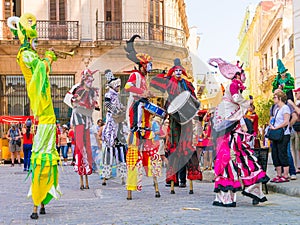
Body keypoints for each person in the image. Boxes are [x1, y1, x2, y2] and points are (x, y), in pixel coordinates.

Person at [8, 13, 61, 219]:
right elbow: (39, 68)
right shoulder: (25, 54)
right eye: (34, 40)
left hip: (46, 111)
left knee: (47, 157)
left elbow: (43, 71)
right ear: (27, 39)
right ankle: (37, 200)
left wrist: (48, 59)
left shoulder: (29, 53)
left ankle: (42, 198)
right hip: (43, 110)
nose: (36, 43)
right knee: (43, 158)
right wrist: (47, 58)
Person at [210, 59, 269, 207]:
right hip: (230, 128)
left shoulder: (231, 90)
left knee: (236, 158)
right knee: (238, 158)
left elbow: (236, 109)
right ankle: (249, 191)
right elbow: (237, 99)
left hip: (230, 130)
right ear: (238, 74)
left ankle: (232, 195)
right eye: (243, 74)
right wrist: (247, 104)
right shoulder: (234, 85)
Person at [124, 35, 162, 200]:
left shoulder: (144, 78)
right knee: (134, 155)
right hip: (136, 115)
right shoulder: (135, 75)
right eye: (147, 66)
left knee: (152, 154)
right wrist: (142, 93)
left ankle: (155, 186)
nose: (148, 69)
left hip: (146, 117)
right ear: (141, 65)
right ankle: (131, 188)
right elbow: (128, 87)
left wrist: (150, 93)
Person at [160, 58, 202, 194]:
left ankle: (183, 179)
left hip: (186, 120)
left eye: (180, 70)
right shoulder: (170, 83)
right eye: (176, 70)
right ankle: (173, 179)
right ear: (173, 72)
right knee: (174, 149)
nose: (178, 72)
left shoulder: (187, 84)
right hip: (174, 120)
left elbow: (193, 99)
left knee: (185, 148)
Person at [69, 68, 99, 190]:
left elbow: (93, 104)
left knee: (86, 147)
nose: (90, 82)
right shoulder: (79, 90)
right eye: (88, 80)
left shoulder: (91, 92)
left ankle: (86, 175)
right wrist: (77, 100)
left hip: (86, 118)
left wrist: (94, 105)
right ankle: (82, 178)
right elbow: (72, 100)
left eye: (91, 80)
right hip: (79, 118)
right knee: (80, 146)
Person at [101, 69, 127, 185]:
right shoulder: (108, 94)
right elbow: (107, 104)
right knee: (110, 147)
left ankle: (123, 175)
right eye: (117, 86)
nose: (118, 88)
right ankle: (106, 175)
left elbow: (117, 105)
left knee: (120, 147)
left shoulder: (117, 95)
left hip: (118, 123)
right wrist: (116, 110)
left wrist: (122, 108)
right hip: (112, 123)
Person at [269, 90, 291, 182]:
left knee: (282, 153)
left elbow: (286, 121)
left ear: (280, 98)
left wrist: (276, 127)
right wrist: (271, 125)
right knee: (275, 153)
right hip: (276, 134)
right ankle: (278, 174)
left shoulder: (285, 108)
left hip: (283, 134)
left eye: (275, 97)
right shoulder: (277, 109)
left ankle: (285, 175)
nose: (273, 99)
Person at [288, 88, 300, 173]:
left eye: (297, 93)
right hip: (296, 129)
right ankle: (297, 166)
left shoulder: (297, 105)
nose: (295, 95)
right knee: (296, 148)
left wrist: (292, 104)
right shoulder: (298, 104)